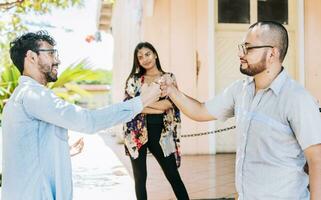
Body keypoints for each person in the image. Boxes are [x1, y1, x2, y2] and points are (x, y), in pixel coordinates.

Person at [160, 21, 321, 200]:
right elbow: (201, 110)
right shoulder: (240, 90)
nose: (240, 54)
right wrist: (172, 91)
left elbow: (317, 160)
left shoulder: (297, 98)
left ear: (272, 53)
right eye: (241, 47)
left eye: (248, 48)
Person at [1, 31, 161, 200]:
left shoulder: (21, 97)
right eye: (51, 53)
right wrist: (142, 100)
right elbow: (89, 121)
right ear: (31, 57)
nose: (57, 60)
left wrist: (62, 150)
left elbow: (27, 150)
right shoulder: (33, 96)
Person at [123, 42, 189, 200]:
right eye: (140, 57)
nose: (145, 59)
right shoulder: (134, 80)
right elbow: (127, 106)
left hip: (162, 133)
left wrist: (140, 103)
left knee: (173, 175)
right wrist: (156, 106)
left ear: (155, 54)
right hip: (136, 134)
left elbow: (170, 104)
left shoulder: (168, 78)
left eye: (147, 54)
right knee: (140, 179)